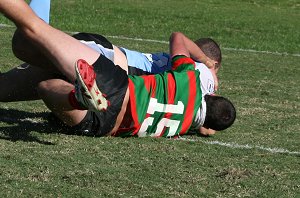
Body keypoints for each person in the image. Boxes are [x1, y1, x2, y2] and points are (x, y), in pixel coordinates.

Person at [0, 0, 235, 137]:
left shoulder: (194, 77)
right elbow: (209, 128)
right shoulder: (190, 107)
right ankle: (80, 96)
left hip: (112, 77)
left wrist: (204, 61)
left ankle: (81, 95)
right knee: (27, 43)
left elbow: (178, 38)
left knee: (28, 40)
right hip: (107, 91)